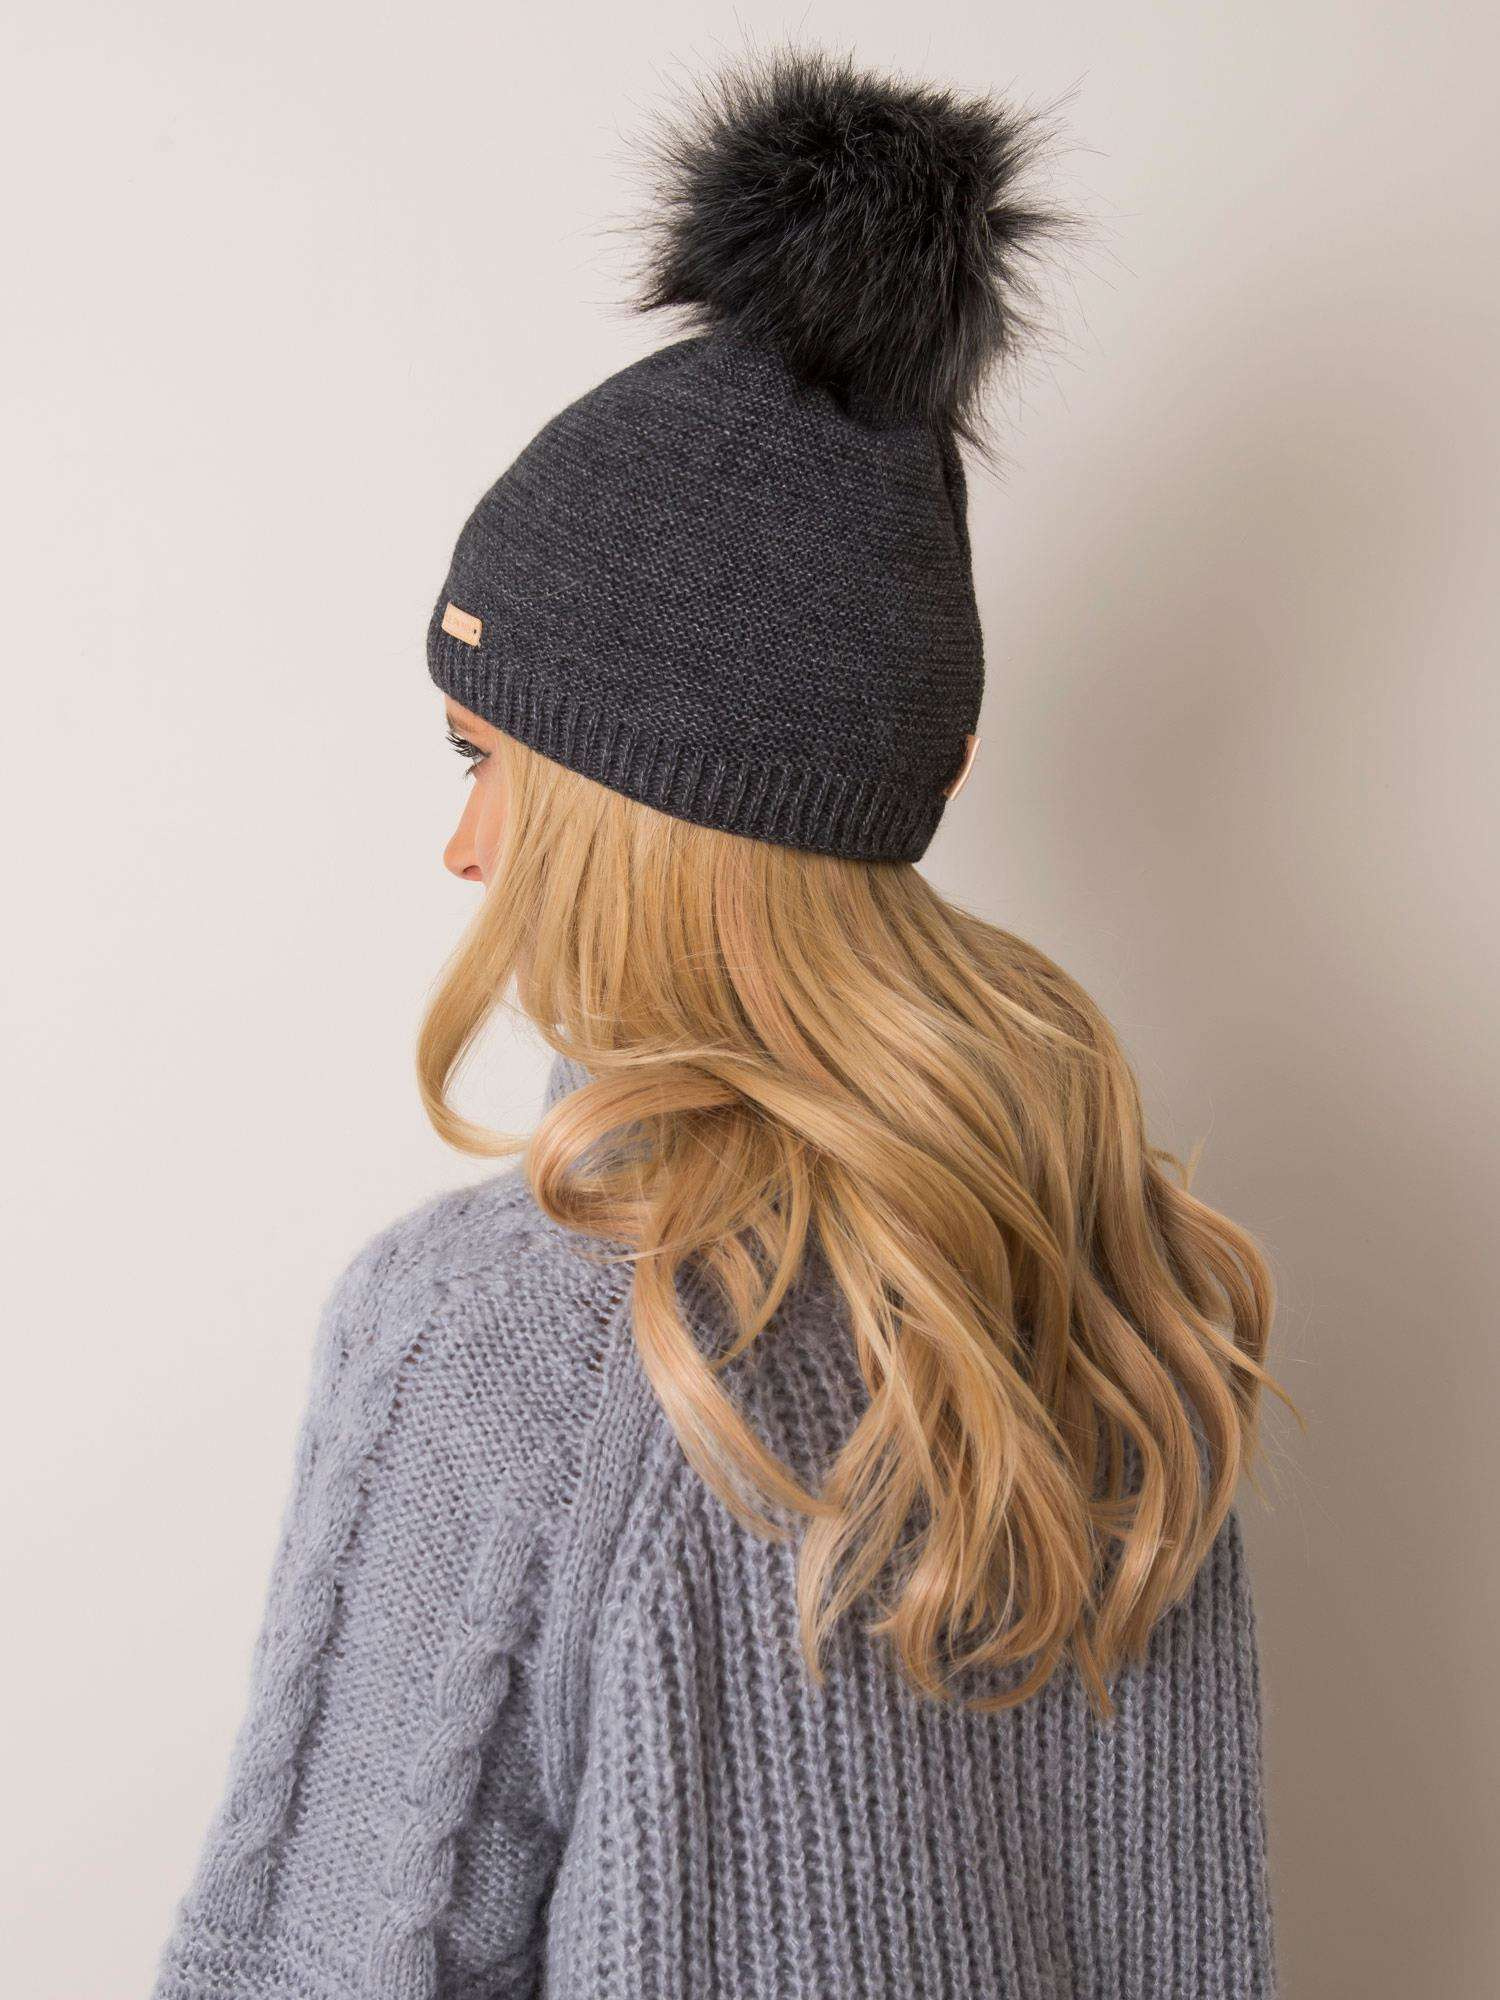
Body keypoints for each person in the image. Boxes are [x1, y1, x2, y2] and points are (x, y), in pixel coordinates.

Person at [150, 44, 1291, 2000]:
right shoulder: (1115, 1302)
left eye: (488, 757)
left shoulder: (512, 1340)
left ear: (645, 799)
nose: (463, 845)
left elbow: (324, 1965)